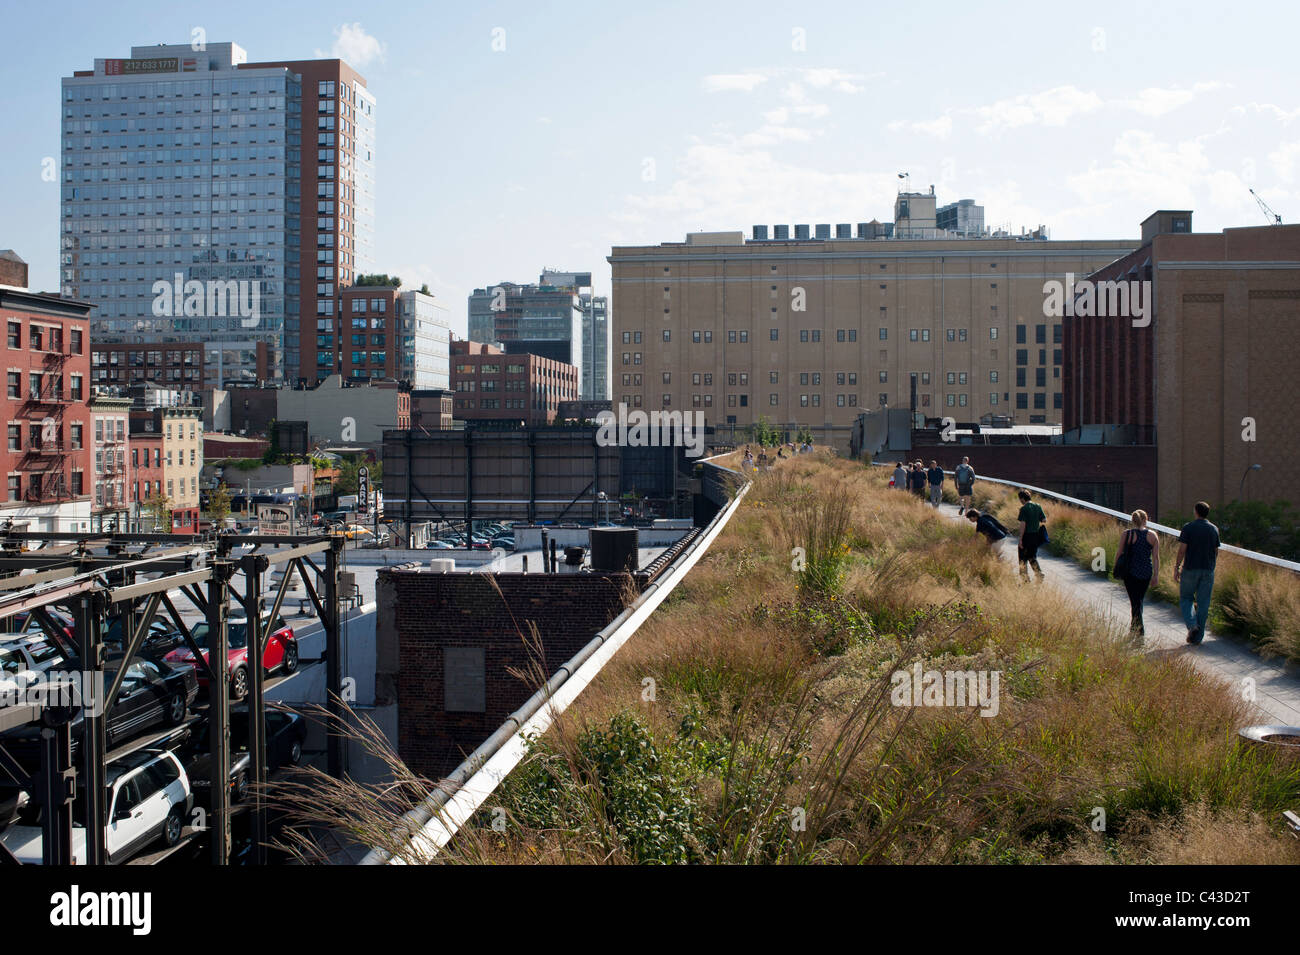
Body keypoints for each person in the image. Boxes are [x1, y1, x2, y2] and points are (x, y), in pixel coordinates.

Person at [1174, 501, 1220, 645]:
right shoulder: (1214, 529)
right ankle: (1197, 638)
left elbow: (1182, 549)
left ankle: (1192, 625)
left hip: (1190, 569)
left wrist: (1176, 566)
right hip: (1207, 570)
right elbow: (1215, 551)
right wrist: (1211, 566)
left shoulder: (1189, 528)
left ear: (1196, 512)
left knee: (1186, 598)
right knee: (1204, 603)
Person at [1117, 509, 1159, 636]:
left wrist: (1116, 567)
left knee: (1134, 601)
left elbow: (1119, 553)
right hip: (1146, 571)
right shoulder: (1153, 535)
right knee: (1138, 600)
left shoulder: (1127, 534)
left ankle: (1139, 630)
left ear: (1133, 521)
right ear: (1146, 519)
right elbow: (1156, 557)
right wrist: (1156, 575)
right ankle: (1134, 628)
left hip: (1129, 572)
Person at [1015, 489, 1047, 582]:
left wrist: (1020, 539)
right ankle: (1039, 573)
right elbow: (1044, 520)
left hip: (1026, 536)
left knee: (1022, 558)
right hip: (1035, 536)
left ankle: (1025, 579)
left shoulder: (1024, 508)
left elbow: (1023, 524)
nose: (1020, 501)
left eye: (1020, 499)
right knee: (1032, 556)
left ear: (1022, 498)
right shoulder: (1038, 506)